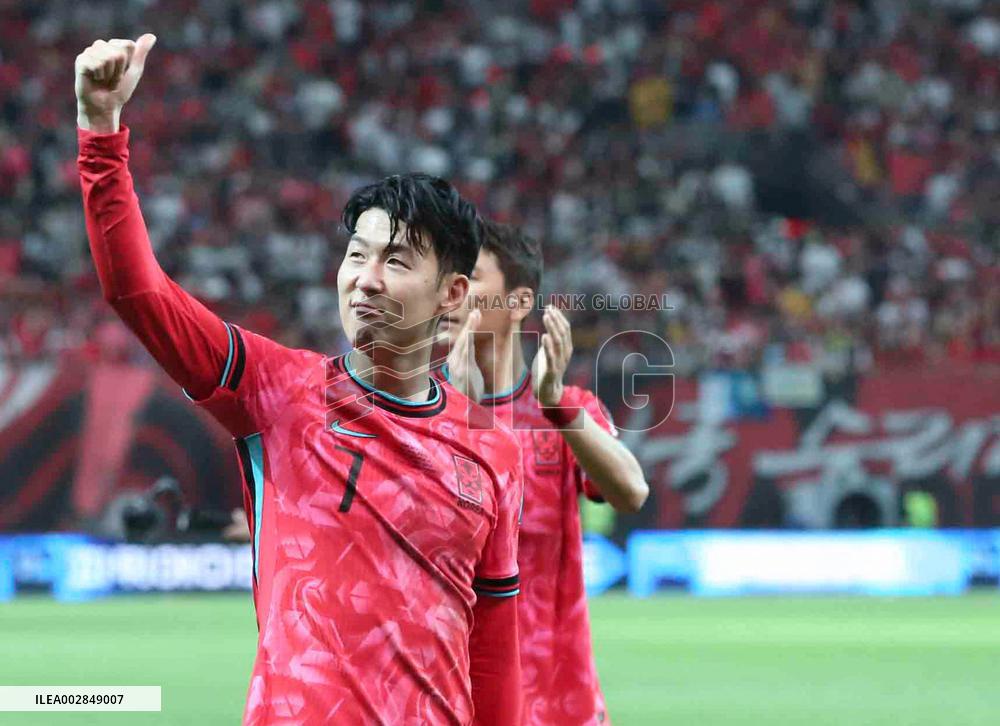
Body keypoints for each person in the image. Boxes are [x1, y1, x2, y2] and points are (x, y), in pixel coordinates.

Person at [76, 34, 524, 725]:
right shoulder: (276, 390)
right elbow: (138, 292)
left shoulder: (493, 451)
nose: (366, 281)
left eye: (398, 262)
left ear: (455, 293)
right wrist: (101, 134)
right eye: (355, 255)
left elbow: (493, 650)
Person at [439, 221, 648, 724]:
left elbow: (631, 491)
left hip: (557, 703)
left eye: (470, 276)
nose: (450, 292)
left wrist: (556, 406)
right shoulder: (415, 411)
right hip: (449, 696)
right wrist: (460, 413)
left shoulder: (566, 410)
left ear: (518, 302)